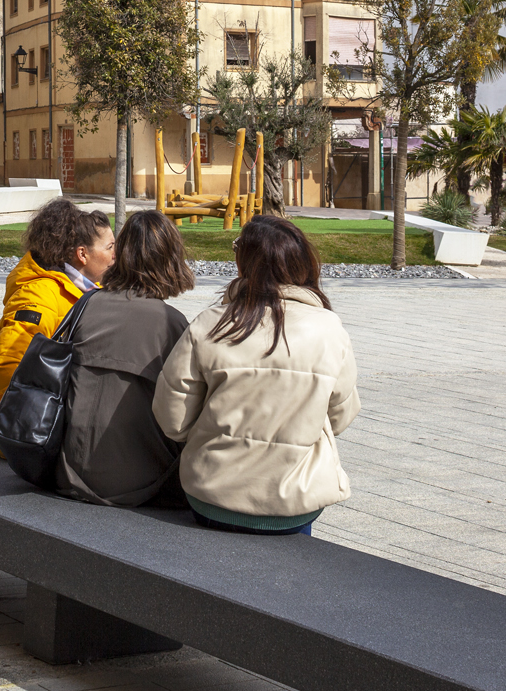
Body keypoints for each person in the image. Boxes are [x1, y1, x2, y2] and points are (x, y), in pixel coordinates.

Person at [153, 215, 360, 535]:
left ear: (244, 261)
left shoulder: (211, 323)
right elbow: (341, 415)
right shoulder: (329, 329)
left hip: (212, 494)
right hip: (295, 502)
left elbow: (172, 418)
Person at [55, 210, 194, 506]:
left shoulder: (86, 305)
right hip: (140, 481)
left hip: (69, 469)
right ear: (171, 259)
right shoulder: (172, 324)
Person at [0, 199, 115, 436]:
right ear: (82, 254)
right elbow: (9, 365)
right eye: (110, 248)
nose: (115, 255)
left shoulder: (80, 290)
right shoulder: (39, 295)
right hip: (24, 427)